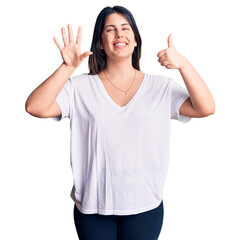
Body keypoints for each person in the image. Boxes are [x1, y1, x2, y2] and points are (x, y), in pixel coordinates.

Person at [25, 5, 215, 240]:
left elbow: (206, 108)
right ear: (100, 44)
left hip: (145, 208)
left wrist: (184, 64)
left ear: (135, 40)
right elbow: (35, 107)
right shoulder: (80, 88)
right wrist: (67, 68)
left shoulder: (161, 87)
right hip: (92, 209)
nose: (119, 34)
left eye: (126, 28)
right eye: (110, 29)